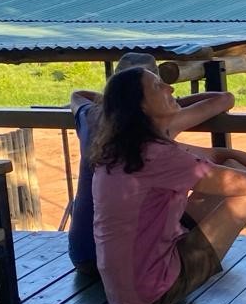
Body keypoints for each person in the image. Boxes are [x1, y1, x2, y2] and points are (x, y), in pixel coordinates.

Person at [90, 67, 246, 304]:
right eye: (158, 86)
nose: (170, 88)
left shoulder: (126, 149)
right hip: (152, 291)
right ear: (142, 106)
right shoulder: (159, 155)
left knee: (234, 170)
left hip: (123, 287)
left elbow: (224, 161)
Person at [67, 53, 236, 275]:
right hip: (131, 266)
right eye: (158, 86)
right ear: (145, 101)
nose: (167, 90)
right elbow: (224, 98)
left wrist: (120, 102)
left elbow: (77, 95)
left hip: (82, 254)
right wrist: (171, 106)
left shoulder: (90, 115)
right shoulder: (157, 124)